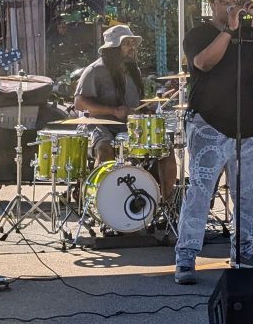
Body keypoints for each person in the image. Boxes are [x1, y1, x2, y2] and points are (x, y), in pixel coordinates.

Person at [173, 0, 253, 284]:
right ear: (213, 5)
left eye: (238, 0)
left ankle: (244, 251)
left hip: (245, 126)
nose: (232, 5)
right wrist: (229, 29)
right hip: (208, 124)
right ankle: (185, 257)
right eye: (226, 1)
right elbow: (203, 62)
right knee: (200, 192)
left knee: (250, 192)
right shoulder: (199, 34)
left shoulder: (251, 35)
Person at [75, 24, 177, 202]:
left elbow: (137, 105)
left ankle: (167, 203)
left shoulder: (133, 71)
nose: (132, 47)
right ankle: (102, 203)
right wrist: (113, 111)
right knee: (105, 148)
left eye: (133, 43)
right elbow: (79, 103)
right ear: (113, 48)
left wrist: (149, 108)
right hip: (100, 126)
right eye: (127, 43)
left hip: (130, 128)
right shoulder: (95, 70)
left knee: (165, 149)